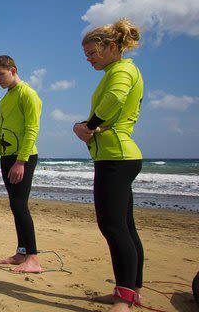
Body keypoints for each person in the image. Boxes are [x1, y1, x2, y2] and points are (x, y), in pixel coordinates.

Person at [72, 19, 144, 311]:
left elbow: (116, 98)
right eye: (86, 54)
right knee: (125, 227)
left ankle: (124, 299)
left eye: (92, 53)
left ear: (112, 47)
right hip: (118, 156)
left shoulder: (123, 70)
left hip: (116, 158)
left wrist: (88, 126)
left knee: (113, 227)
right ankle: (129, 291)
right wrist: (90, 129)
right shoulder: (115, 71)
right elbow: (115, 105)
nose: (88, 59)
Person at [0, 55, 43, 273]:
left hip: (23, 157)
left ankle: (33, 259)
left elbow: (32, 129)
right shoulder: (4, 100)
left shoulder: (28, 94)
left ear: (13, 70)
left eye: (0, 74)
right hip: (7, 157)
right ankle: (21, 253)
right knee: (15, 205)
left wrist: (21, 161)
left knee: (20, 205)